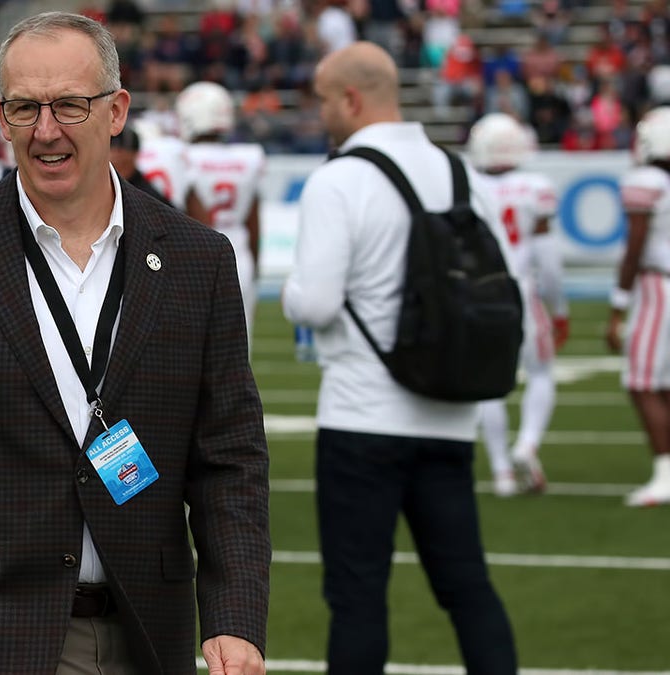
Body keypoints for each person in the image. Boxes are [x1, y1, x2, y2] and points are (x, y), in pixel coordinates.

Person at [0, 11, 270, 675]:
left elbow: (230, 457)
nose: (47, 129)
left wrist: (234, 615)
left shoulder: (198, 260)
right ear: (1, 117)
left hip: (145, 634)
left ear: (116, 110)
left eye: (69, 104)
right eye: (25, 107)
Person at [282, 42, 518, 673]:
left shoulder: (339, 179)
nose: (322, 112)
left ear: (352, 99)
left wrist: (290, 292)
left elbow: (317, 304)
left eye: (326, 99)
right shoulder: (461, 175)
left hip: (362, 416)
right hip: (449, 412)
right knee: (468, 589)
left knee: (357, 600)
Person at [466, 113, 569, 497]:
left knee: (488, 387)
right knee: (540, 373)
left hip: (480, 293)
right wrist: (559, 309)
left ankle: (501, 473)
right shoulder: (534, 188)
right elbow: (549, 260)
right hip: (522, 292)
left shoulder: (468, 185)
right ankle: (526, 444)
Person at [606, 106, 670, 507]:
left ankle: (665, 473)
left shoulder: (647, 180)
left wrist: (618, 304)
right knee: (663, 383)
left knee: (642, 380)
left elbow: (635, 247)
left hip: (658, 288)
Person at [176, 81, 264, 343]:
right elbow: (254, 221)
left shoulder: (184, 157)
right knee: (239, 345)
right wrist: (255, 264)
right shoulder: (248, 157)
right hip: (240, 253)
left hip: (197, 256)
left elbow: (190, 215)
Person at [108, 126, 170, 204]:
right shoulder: (100, 188)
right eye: (111, 150)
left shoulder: (148, 195)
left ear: (134, 155)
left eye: (120, 151)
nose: (116, 157)